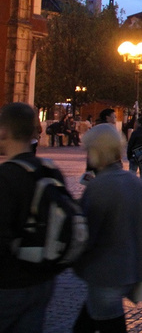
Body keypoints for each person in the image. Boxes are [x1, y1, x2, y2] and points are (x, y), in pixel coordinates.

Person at [73, 122, 142, 333]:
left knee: (109, 324)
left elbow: (87, 236)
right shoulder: (135, 182)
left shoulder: (98, 187)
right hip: (132, 271)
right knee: (86, 323)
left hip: (106, 274)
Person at [0, 102, 64, 332]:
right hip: (43, 279)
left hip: (10, 283)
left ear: (4, 131)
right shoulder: (50, 169)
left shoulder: (6, 176)